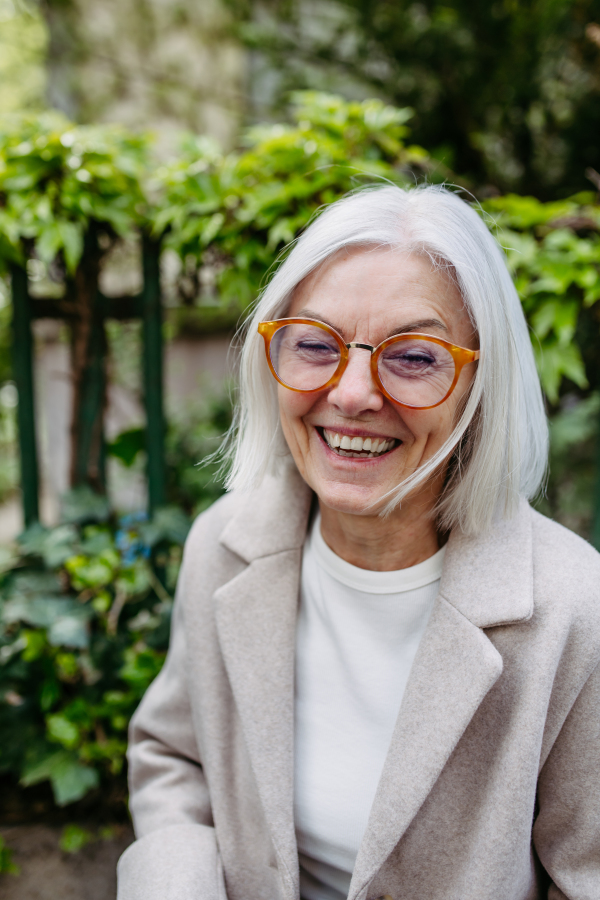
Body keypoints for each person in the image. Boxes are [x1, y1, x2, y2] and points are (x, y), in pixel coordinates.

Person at [117, 185, 600, 900]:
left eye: (413, 357)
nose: (351, 393)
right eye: (315, 344)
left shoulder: (574, 609)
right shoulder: (222, 544)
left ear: (478, 385)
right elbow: (173, 758)